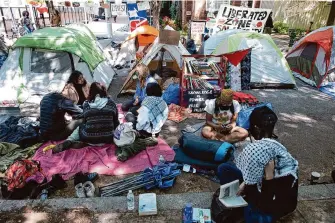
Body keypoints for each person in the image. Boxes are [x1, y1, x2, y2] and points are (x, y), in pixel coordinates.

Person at [217, 138, 299, 222]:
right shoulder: (264, 154)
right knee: (224, 168)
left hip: (271, 204)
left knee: (253, 218)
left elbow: (265, 205)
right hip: (259, 186)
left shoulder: (286, 175)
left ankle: (243, 203)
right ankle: (238, 198)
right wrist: (246, 181)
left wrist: (269, 177)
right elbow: (253, 164)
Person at [54, 82, 120, 152]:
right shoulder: (111, 103)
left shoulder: (86, 104)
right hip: (108, 138)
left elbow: (85, 120)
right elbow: (115, 120)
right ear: (104, 91)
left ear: (91, 92)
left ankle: (70, 140)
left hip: (89, 138)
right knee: (116, 123)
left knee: (80, 126)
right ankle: (88, 142)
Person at [118, 83, 168, 161]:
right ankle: (147, 139)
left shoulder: (146, 103)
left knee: (129, 115)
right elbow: (162, 118)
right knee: (134, 112)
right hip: (156, 131)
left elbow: (140, 124)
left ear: (148, 93)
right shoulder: (164, 103)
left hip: (145, 131)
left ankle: (127, 147)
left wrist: (135, 127)